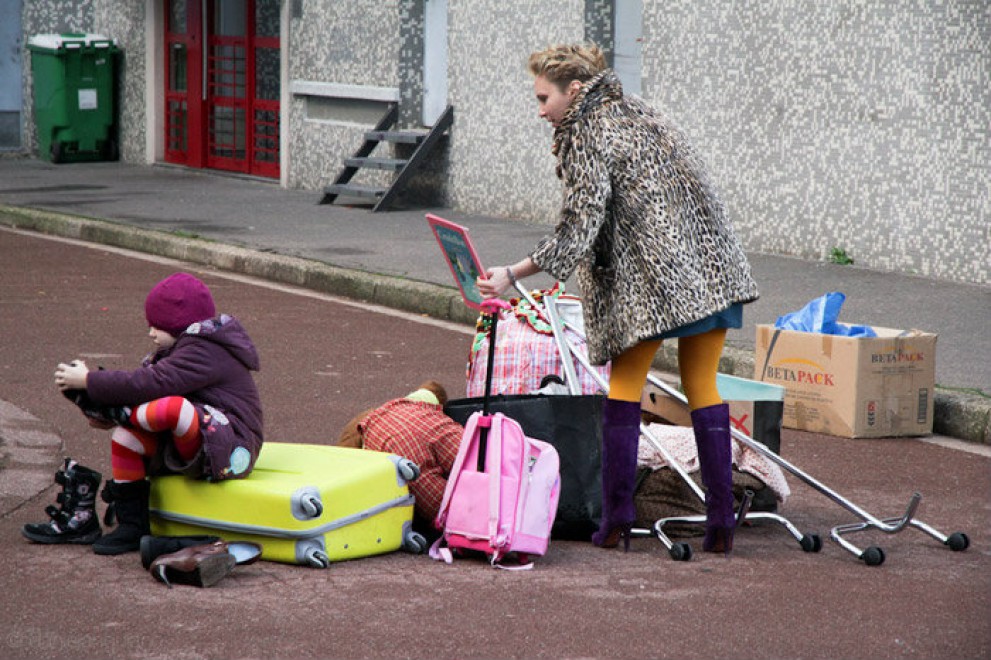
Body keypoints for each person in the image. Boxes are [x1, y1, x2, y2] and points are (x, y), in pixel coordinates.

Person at [477, 44, 760, 555]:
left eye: (545, 98)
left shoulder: (588, 130)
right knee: (703, 387)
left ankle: (616, 522)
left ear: (575, 91)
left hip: (652, 283)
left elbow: (578, 225)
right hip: (711, 271)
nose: (540, 110)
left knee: (624, 388)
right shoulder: (642, 111)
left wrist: (511, 273)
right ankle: (721, 522)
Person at [38, 272, 264, 555]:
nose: (151, 333)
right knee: (126, 436)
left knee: (176, 408)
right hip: (196, 445)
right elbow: (145, 388)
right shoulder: (179, 349)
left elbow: (153, 383)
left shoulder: (206, 350)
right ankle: (131, 526)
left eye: (157, 326)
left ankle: (118, 413)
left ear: (179, 324)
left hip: (231, 447)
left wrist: (90, 383)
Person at [337, 380, 462, 535]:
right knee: (478, 458)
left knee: (450, 510)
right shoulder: (412, 402)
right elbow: (432, 389)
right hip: (434, 427)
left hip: (406, 453)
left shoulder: (371, 437)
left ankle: (481, 524)